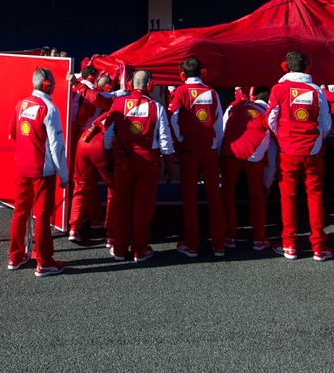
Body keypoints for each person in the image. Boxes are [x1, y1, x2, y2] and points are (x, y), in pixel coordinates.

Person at [267, 50, 333, 261]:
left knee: (288, 198)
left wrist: (282, 138)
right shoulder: (316, 90)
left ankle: (289, 245)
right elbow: (326, 123)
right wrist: (315, 141)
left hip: (288, 151)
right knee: (315, 198)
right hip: (312, 152)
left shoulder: (278, 88)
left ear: (284, 67)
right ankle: (319, 248)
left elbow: (270, 119)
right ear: (307, 67)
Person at [104, 70, 174, 263]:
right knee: (143, 207)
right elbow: (166, 140)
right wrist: (169, 165)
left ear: (130, 84)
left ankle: (119, 249)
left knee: (121, 204)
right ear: (150, 85)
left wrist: (109, 159)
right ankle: (140, 250)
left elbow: (107, 135)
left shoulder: (118, 104)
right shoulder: (157, 107)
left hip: (123, 162)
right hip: (148, 162)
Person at [7, 67, 69, 277]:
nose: (54, 84)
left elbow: (13, 134)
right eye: (52, 81)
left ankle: (15, 256)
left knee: (20, 212)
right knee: (42, 216)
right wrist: (65, 175)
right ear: (47, 84)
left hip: (22, 168)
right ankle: (45, 262)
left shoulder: (21, 103)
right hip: (43, 171)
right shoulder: (49, 109)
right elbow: (56, 146)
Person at [169, 56, 226, 257]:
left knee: (190, 197)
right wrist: (215, 147)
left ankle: (192, 244)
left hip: (189, 150)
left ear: (182, 74)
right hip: (209, 149)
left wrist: (181, 140)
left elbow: (173, 118)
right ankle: (219, 244)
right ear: (202, 72)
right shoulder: (212, 92)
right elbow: (219, 124)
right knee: (214, 196)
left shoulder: (179, 92)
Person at [68, 69, 122, 243]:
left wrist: (77, 85)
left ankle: (76, 226)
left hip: (81, 142)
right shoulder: (111, 98)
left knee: (81, 184)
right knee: (113, 189)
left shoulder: (80, 92)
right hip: (99, 144)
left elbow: (95, 97)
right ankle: (110, 232)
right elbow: (99, 98)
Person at [219, 84, 274, 251]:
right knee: (257, 196)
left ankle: (229, 236)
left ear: (253, 95)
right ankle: (258, 238)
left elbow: (222, 129)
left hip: (230, 153)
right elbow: (271, 154)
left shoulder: (234, 105)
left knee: (227, 195)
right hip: (254, 156)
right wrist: (267, 182)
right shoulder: (270, 114)